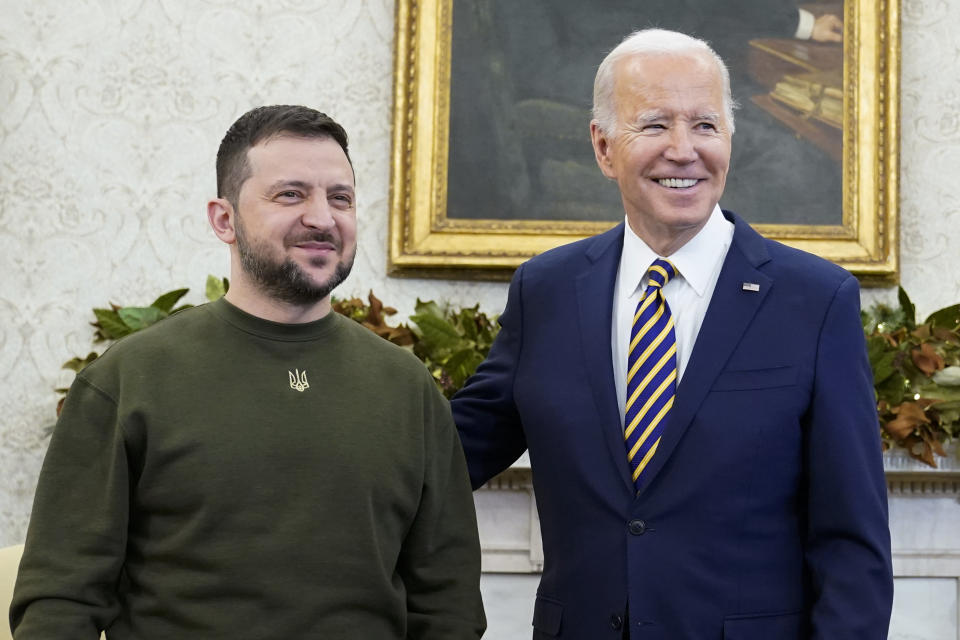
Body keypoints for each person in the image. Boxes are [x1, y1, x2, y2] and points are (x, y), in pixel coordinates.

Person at [451, 29, 892, 639]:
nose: (684, 150)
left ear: (729, 141)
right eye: (655, 125)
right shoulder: (546, 291)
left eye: (706, 126)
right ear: (604, 148)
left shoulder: (815, 301)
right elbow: (452, 454)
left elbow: (852, 543)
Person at [10, 105, 485, 639]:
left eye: (340, 197)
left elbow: (450, 605)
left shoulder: (408, 388)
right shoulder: (128, 379)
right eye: (291, 194)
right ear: (223, 218)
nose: (323, 218)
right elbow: (59, 603)